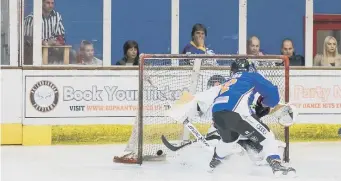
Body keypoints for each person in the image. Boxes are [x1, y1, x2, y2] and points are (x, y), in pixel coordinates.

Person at [209, 59, 295, 175]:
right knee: (268, 137)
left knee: (229, 140)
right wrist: (265, 103)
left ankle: (215, 161)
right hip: (237, 114)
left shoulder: (228, 82)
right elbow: (273, 94)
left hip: (217, 114)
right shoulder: (252, 76)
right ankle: (276, 165)